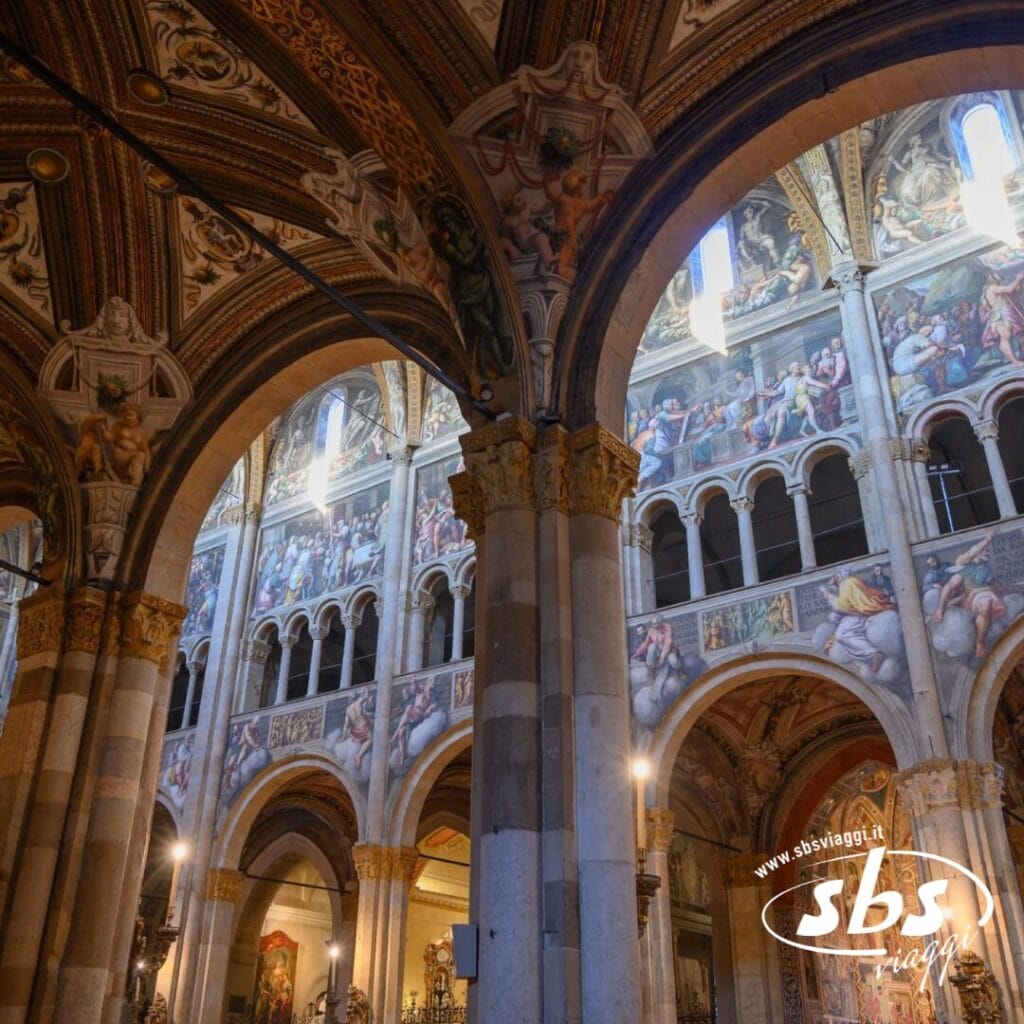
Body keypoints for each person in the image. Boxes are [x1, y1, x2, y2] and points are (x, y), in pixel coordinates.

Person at [930, 530, 1009, 658]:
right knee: (955, 580)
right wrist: (987, 540)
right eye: (985, 551)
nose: (987, 553)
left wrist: (1007, 589)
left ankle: (979, 643)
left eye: (988, 552)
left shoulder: (986, 568)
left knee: (985, 605)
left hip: (981, 593)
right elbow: (973, 551)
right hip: (967, 595)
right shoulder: (964, 561)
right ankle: (940, 608)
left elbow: (992, 584)